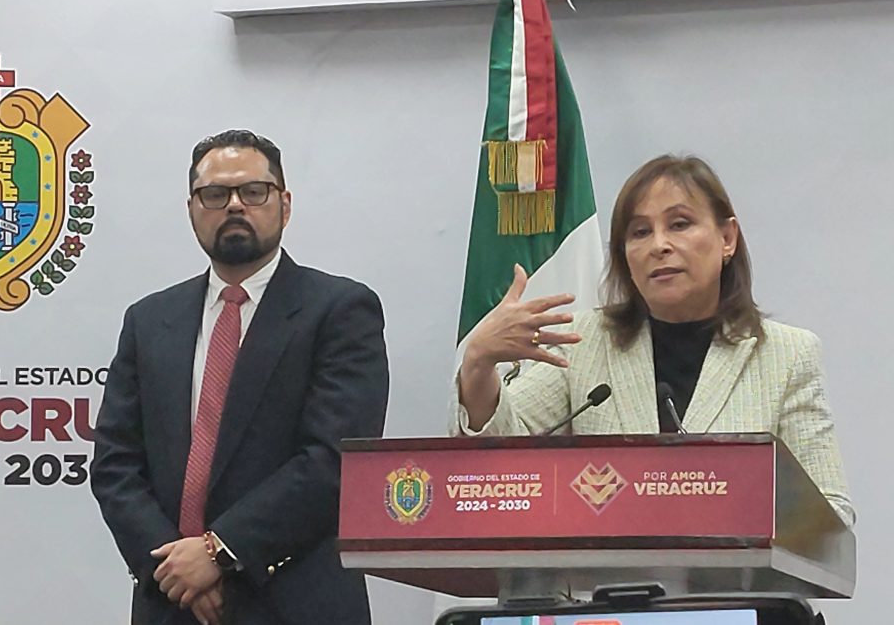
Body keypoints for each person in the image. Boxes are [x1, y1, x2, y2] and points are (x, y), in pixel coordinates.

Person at [452, 154, 854, 527]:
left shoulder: (787, 356)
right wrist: (478, 364)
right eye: (640, 232)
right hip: (608, 581)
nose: (659, 245)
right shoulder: (584, 343)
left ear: (727, 238)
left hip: (739, 580)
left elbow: (829, 514)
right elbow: (497, 470)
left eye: (679, 224)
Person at [91, 130, 389, 625]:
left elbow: (332, 460)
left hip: (294, 601)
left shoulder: (340, 310)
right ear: (191, 209)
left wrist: (218, 552)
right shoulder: (149, 320)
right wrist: (174, 568)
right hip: (171, 602)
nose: (234, 205)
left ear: (284, 205)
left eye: (253, 191)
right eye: (214, 194)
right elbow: (115, 463)